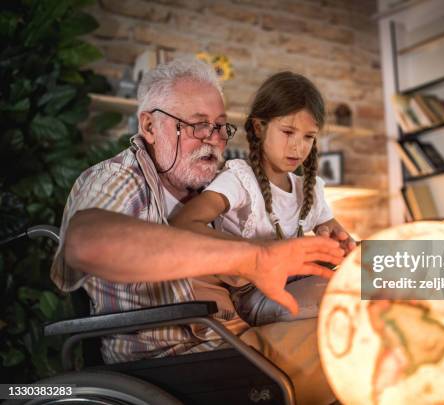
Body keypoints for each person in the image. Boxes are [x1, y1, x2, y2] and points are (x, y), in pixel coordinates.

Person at [51, 58, 344, 404]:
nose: (215, 141)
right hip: (187, 361)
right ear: (148, 125)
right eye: (198, 126)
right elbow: (87, 242)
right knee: (373, 334)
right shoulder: (118, 177)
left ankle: (424, 271)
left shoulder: (198, 186)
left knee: (393, 281)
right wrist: (256, 257)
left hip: (238, 336)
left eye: (221, 127)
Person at [170, 71, 356, 326]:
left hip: (299, 281)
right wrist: (258, 253)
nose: (298, 147)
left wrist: (340, 245)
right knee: (356, 291)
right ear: (259, 128)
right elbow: (183, 223)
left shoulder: (309, 189)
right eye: (288, 132)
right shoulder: (240, 180)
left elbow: (340, 237)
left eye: (308, 137)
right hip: (256, 295)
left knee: (390, 265)